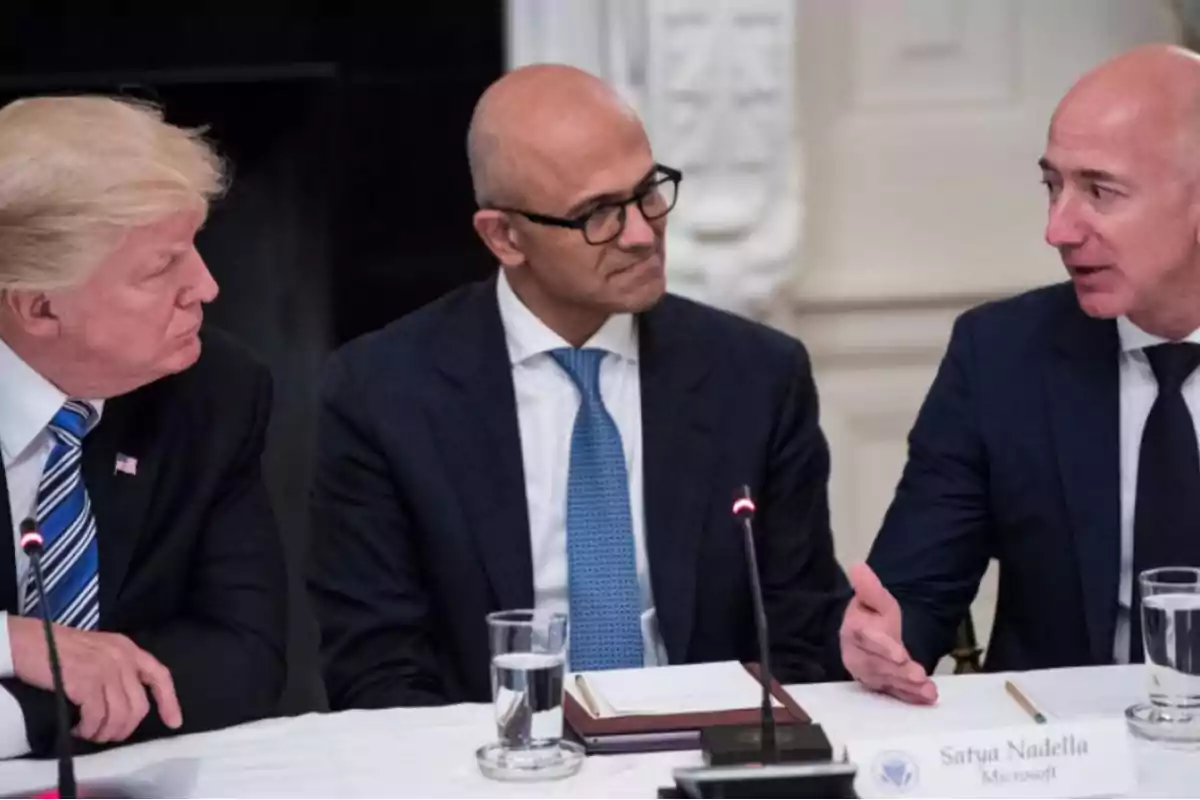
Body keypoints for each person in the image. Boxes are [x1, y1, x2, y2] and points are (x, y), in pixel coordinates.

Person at [308, 64, 848, 709]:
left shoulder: (758, 377)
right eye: (598, 215)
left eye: (648, 192)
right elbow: (375, 668)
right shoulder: (381, 393)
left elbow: (801, 633)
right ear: (505, 236)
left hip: (706, 750)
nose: (644, 234)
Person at [841, 44, 1200, 704]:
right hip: (1061, 757)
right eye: (1052, 186)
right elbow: (914, 593)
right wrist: (884, 641)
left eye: (1100, 190)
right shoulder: (1001, 355)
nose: (1058, 228)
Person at [0, 96, 287, 756]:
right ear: (41, 308)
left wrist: (16, 717)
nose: (207, 287)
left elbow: (241, 659)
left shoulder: (214, 390)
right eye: (162, 266)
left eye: (193, 248)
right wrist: (12, 642)